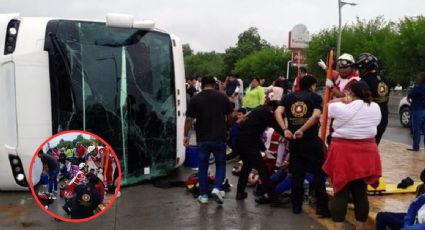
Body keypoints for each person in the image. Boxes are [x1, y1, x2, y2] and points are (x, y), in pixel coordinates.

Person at [322, 81, 382, 230]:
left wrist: (342, 99)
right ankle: (359, 228)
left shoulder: (340, 107)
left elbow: (327, 105)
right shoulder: (375, 107)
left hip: (343, 150)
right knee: (361, 192)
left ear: (351, 94)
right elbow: (377, 123)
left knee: (341, 191)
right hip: (367, 150)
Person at [275, 75, 330, 217]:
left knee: (297, 175)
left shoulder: (288, 97)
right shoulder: (315, 98)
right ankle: (322, 208)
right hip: (311, 141)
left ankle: (296, 206)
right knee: (319, 175)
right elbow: (316, 116)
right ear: (312, 85)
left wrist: (285, 129)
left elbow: (277, 112)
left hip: (294, 142)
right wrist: (303, 129)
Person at [183, 77, 233, 205]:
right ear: (214, 85)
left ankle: (204, 195)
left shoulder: (196, 98)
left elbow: (189, 119)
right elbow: (230, 116)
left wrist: (185, 136)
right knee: (221, 164)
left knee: (203, 167)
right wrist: (227, 129)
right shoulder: (223, 97)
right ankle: (216, 188)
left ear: (202, 85)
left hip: (203, 139)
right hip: (219, 138)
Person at [235, 100, 289, 207]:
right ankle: (274, 199)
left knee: (246, 167)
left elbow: (255, 132)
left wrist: (264, 149)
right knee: (262, 169)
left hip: (242, 141)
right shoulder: (267, 113)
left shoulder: (258, 111)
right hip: (248, 143)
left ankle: (240, 193)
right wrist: (287, 133)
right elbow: (277, 125)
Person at [356, 53, 390, 145]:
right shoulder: (384, 79)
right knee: (374, 144)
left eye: (360, 68)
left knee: (364, 147)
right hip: (383, 114)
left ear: (365, 68)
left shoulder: (364, 82)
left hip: (369, 116)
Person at [407, 72, 425, 151]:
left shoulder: (418, 88)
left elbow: (410, 95)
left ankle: (416, 146)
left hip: (418, 109)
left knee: (416, 129)